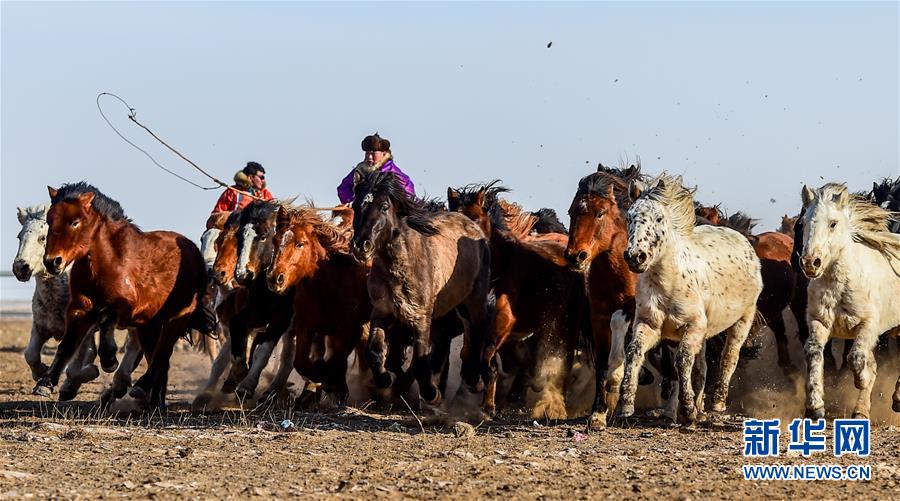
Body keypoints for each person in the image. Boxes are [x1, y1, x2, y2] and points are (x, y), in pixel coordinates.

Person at [337, 133, 415, 204]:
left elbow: (408, 192)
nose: (369, 157)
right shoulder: (359, 170)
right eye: (367, 153)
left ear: (383, 153)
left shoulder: (391, 172)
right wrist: (353, 201)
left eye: (373, 153)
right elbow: (343, 189)